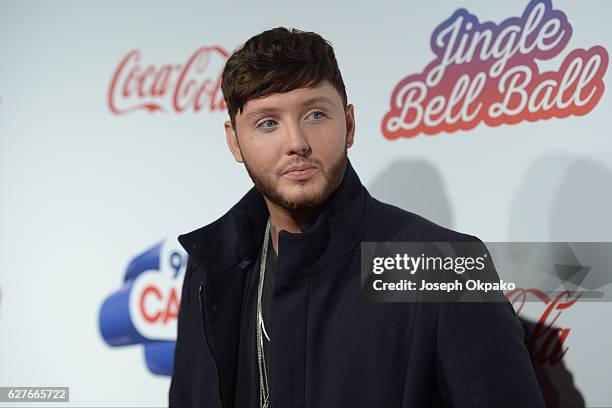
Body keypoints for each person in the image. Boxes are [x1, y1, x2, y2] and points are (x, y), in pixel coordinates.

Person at [169, 27, 545, 408]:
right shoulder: (212, 268)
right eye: (268, 122)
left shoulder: (440, 268)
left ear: (349, 124)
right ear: (234, 141)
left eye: (315, 114)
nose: (296, 142)